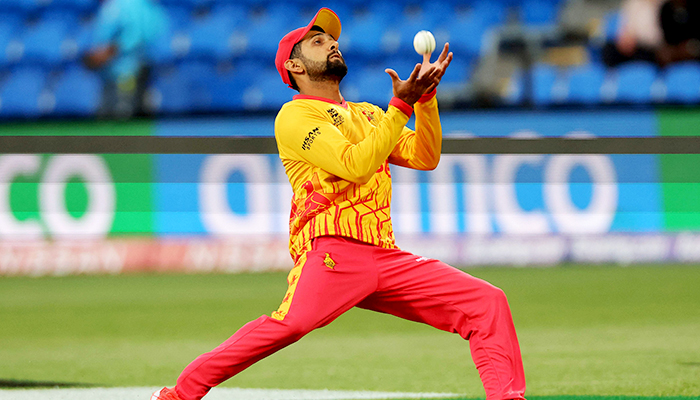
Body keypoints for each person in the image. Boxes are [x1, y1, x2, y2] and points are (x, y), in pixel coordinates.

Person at [152, 8, 526, 400]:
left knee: (487, 302)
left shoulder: (366, 112)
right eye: (317, 41)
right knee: (289, 325)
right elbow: (355, 166)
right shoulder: (295, 116)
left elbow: (424, 155)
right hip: (333, 254)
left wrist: (425, 100)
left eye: (332, 39)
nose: (331, 43)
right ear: (294, 66)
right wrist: (400, 108)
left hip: (384, 254)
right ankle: (178, 395)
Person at [83, 0, 168, 118]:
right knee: (106, 115)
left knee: (124, 114)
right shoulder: (107, 6)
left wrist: (109, 51)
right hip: (108, 73)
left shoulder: (128, 4)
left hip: (129, 68)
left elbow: (135, 34)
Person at [602, 0, 664, 67]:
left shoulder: (663, 5)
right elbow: (623, 26)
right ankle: (610, 75)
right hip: (630, 44)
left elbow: (658, 36)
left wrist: (637, 38)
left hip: (648, 47)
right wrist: (626, 39)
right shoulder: (633, 3)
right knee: (609, 49)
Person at [657, 0, 700, 65]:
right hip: (673, 52)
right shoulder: (666, 8)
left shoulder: (695, 7)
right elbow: (666, 35)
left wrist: (689, 47)